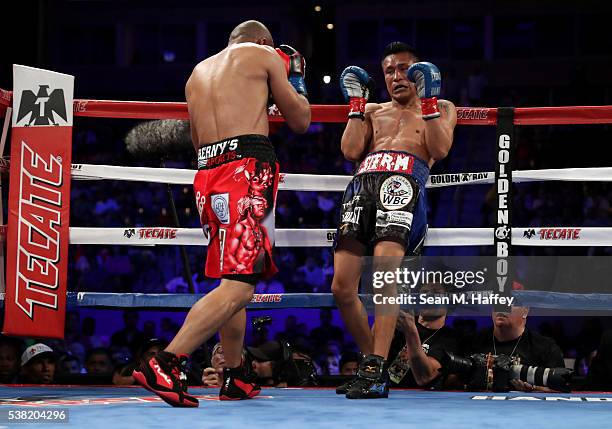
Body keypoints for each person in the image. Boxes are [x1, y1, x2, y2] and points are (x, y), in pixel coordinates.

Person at [133, 20, 310, 407]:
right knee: (241, 285)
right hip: (246, 171)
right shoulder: (265, 55)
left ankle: (235, 376)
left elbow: (198, 139)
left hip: (207, 176)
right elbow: (301, 120)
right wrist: (294, 77)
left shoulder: (198, 72)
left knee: (230, 279)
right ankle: (164, 362)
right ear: (263, 42)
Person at [332, 41, 457, 399]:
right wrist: (356, 106)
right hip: (362, 185)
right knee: (342, 287)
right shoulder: (372, 110)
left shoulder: (442, 107)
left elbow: (440, 149)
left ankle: (371, 370)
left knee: (385, 275)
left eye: (404, 69)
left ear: (419, 73)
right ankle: (377, 365)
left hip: (404, 181)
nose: (396, 76)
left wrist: (429, 103)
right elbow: (351, 151)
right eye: (389, 71)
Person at [467, 306, 565, 392]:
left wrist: (534, 389)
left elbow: (564, 386)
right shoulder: (472, 342)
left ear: (525, 311)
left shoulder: (545, 347)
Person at [387, 283, 458, 388]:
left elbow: (425, 377)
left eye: (436, 293)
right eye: (424, 293)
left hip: (421, 400)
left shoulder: (451, 339)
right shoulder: (398, 324)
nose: (428, 297)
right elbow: (372, 352)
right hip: (386, 395)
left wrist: (410, 331)